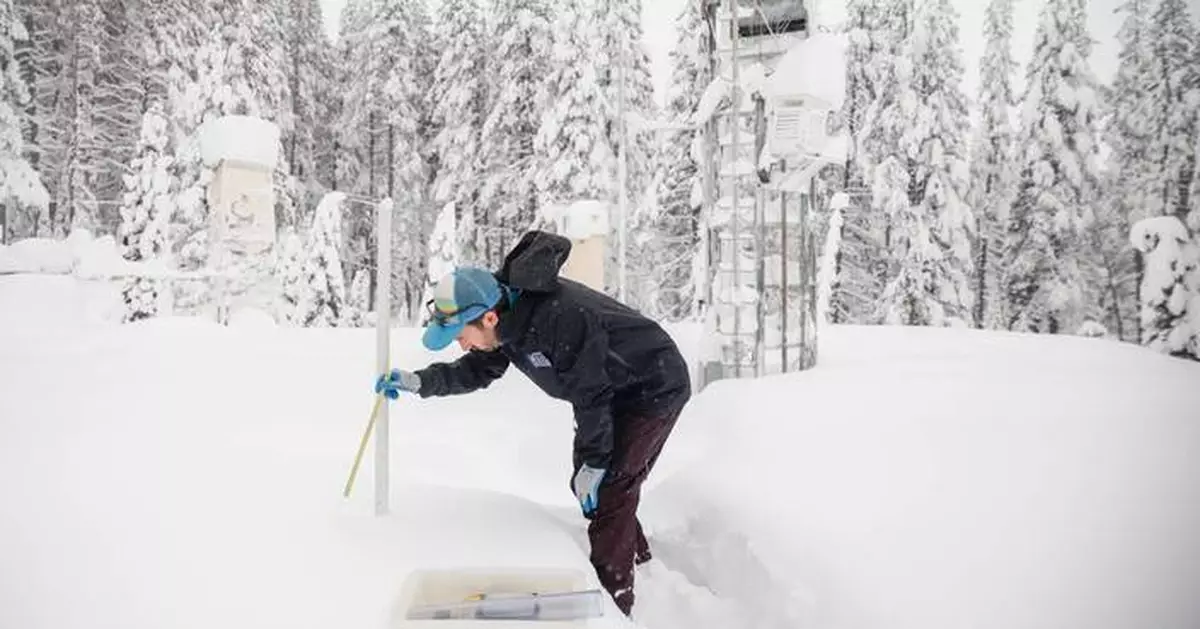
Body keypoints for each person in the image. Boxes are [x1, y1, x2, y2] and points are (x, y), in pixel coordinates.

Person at [374, 230, 691, 617]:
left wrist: (594, 462)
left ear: (488, 317)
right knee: (596, 486)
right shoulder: (505, 317)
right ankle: (637, 558)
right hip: (608, 389)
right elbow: (479, 370)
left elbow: (591, 397)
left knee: (609, 486)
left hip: (651, 385)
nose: (462, 344)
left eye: (461, 335)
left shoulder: (559, 319)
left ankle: (613, 606)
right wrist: (420, 382)